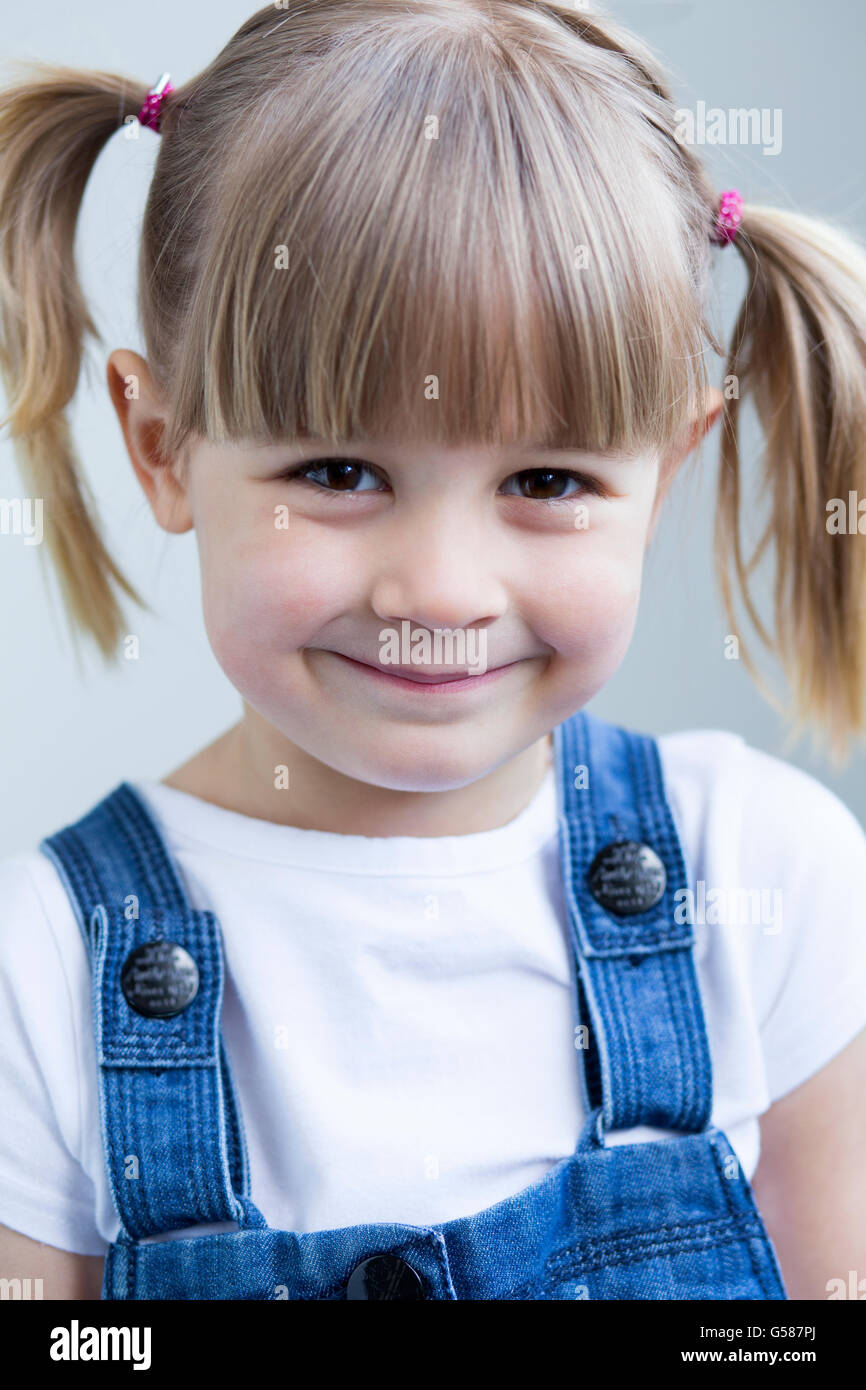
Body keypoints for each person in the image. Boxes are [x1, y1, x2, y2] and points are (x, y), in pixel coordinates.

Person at [0, 1, 864, 1301]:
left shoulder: (768, 883)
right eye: (341, 470)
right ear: (160, 445)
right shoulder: (43, 971)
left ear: (668, 468)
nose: (440, 591)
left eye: (546, 478)